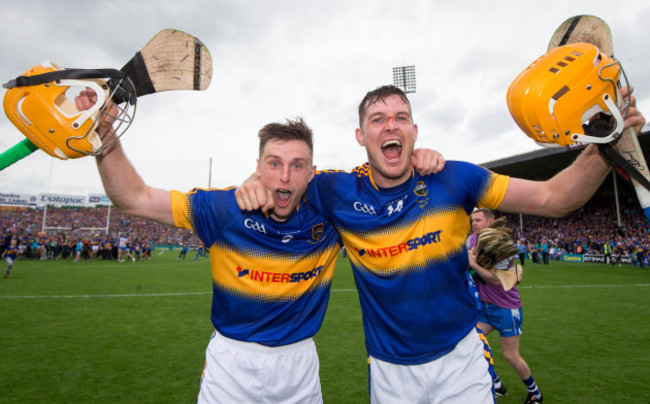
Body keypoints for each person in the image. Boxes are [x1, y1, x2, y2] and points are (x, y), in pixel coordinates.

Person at [237, 84, 644, 403]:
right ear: (361, 136)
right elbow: (283, 178)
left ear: (414, 132)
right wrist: (256, 180)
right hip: (389, 372)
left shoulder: (455, 178)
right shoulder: (335, 189)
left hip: (461, 362)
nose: (390, 125)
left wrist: (604, 146)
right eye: (377, 119)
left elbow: (554, 198)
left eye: (400, 117)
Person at [78, 86, 445, 403]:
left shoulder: (330, 215)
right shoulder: (223, 208)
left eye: (297, 165)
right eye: (274, 164)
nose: (284, 176)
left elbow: (385, 182)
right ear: (258, 165)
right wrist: (105, 134)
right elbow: (134, 198)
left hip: (299, 364)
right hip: (231, 365)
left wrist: (418, 159)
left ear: (312, 172)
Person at [468, 208, 543, 402]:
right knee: (472, 345)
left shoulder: (502, 244)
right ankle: (497, 384)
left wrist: (474, 266)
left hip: (506, 308)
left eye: (478, 220)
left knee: (510, 355)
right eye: (472, 220)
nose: (474, 223)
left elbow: (495, 280)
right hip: (485, 307)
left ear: (490, 221)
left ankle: (535, 393)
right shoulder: (471, 241)